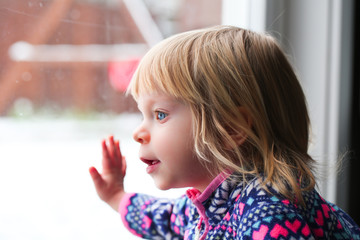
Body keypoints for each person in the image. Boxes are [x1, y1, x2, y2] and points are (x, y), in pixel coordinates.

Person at [89, 25, 360, 239]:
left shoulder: (267, 212)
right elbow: (166, 219)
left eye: (160, 114)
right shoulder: (215, 203)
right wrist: (116, 196)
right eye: (143, 113)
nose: (138, 132)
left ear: (230, 129)